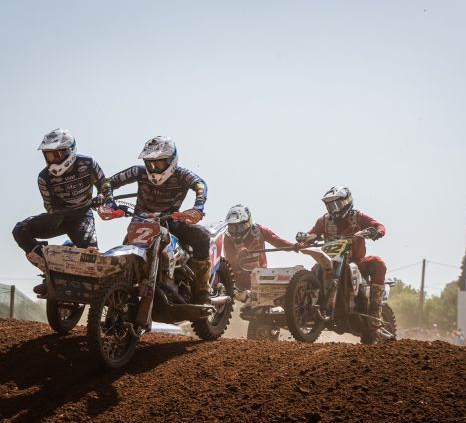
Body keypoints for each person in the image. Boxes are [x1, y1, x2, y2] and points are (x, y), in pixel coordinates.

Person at [107, 136, 211, 304]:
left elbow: (200, 185)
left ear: (172, 161)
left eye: (159, 163)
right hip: (140, 224)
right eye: (150, 163)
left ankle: (202, 290)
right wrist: (108, 201)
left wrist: (198, 207)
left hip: (171, 221)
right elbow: (108, 183)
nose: (154, 168)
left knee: (202, 236)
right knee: (123, 258)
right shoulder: (138, 171)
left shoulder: (182, 174)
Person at [12, 128, 113, 295]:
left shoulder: (88, 163)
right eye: (49, 155)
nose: (53, 159)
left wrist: (102, 196)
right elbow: (48, 205)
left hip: (82, 217)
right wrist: (56, 213)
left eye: (57, 154)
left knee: (91, 257)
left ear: (70, 151)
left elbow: (105, 184)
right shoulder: (44, 177)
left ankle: (88, 283)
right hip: (58, 218)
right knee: (19, 230)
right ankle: (50, 273)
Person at [296, 186, 386, 329]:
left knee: (378, 263)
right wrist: (303, 241)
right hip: (329, 260)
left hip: (356, 261)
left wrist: (376, 231)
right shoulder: (324, 220)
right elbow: (312, 234)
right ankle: (302, 307)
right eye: (330, 205)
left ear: (347, 202)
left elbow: (378, 225)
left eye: (337, 204)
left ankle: (375, 309)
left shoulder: (358, 217)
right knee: (310, 273)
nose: (333, 209)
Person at [223, 204, 295, 294]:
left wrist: (294, 246)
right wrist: (238, 255)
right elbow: (228, 263)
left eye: (240, 226)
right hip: (238, 283)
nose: (236, 231)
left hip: (261, 278)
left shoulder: (259, 230)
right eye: (232, 227)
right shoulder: (228, 237)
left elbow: (277, 241)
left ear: (248, 222)